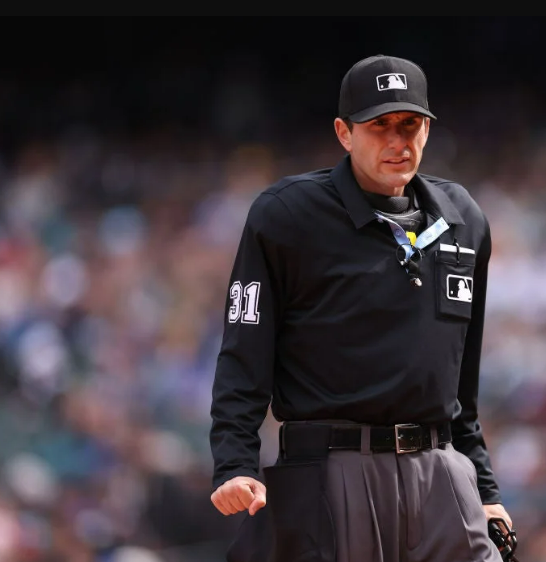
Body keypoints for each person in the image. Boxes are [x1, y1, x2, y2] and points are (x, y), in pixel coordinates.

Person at [209, 53, 513, 562]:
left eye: (410, 124)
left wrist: (484, 488)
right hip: (334, 473)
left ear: (428, 129)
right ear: (344, 133)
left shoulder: (464, 219)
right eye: (380, 126)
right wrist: (234, 463)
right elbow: (244, 354)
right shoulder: (287, 217)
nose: (398, 141)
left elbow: (460, 381)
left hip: (440, 471)